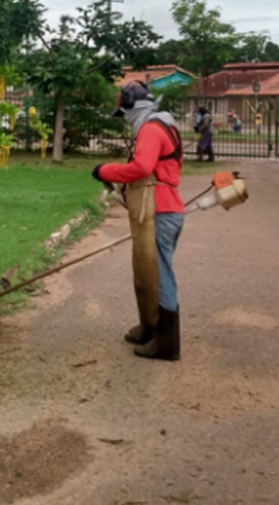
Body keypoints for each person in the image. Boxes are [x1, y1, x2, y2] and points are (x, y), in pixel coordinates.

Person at [92, 82, 184, 361]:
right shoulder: (161, 126)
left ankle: (166, 343)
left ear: (134, 107)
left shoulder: (151, 129)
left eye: (125, 114)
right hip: (159, 208)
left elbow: (142, 167)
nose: (126, 121)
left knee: (158, 275)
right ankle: (149, 327)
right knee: (145, 271)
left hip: (159, 209)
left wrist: (105, 170)